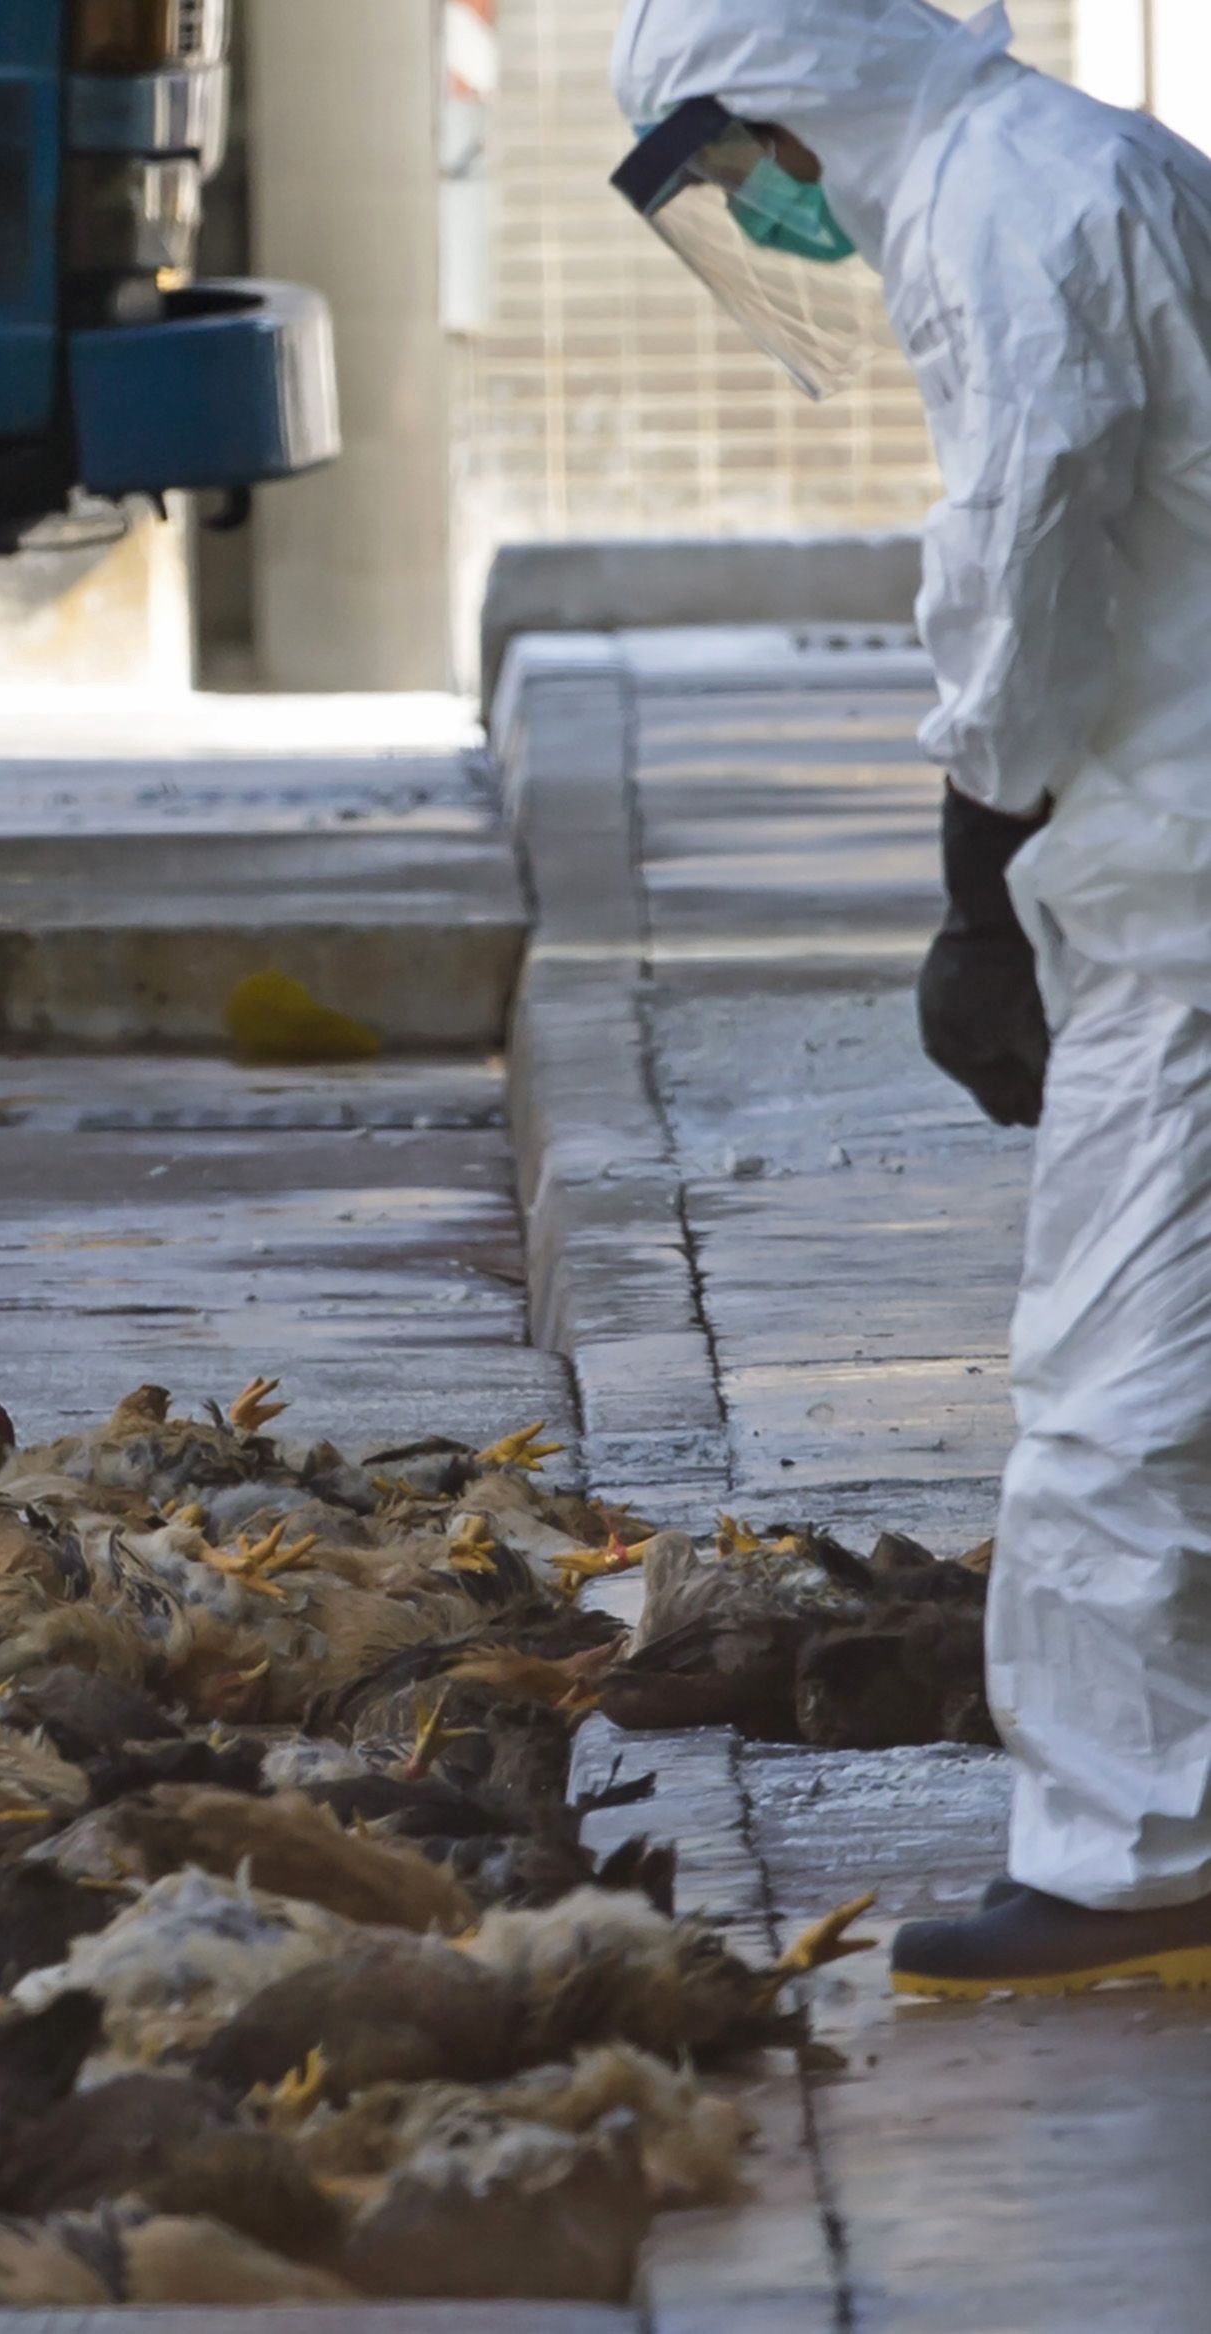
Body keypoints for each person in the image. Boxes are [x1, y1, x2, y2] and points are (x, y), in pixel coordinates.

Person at [615, 0, 1211, 1992]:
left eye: (723, 165)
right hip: (1162, 853)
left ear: (783, 100)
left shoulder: (1009, 214)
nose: (749, 209)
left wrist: (976, 888)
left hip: (1182, 897)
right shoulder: (1073, 163)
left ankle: (1128, 1865)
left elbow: (1020, 559)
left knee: (1110, 1394)